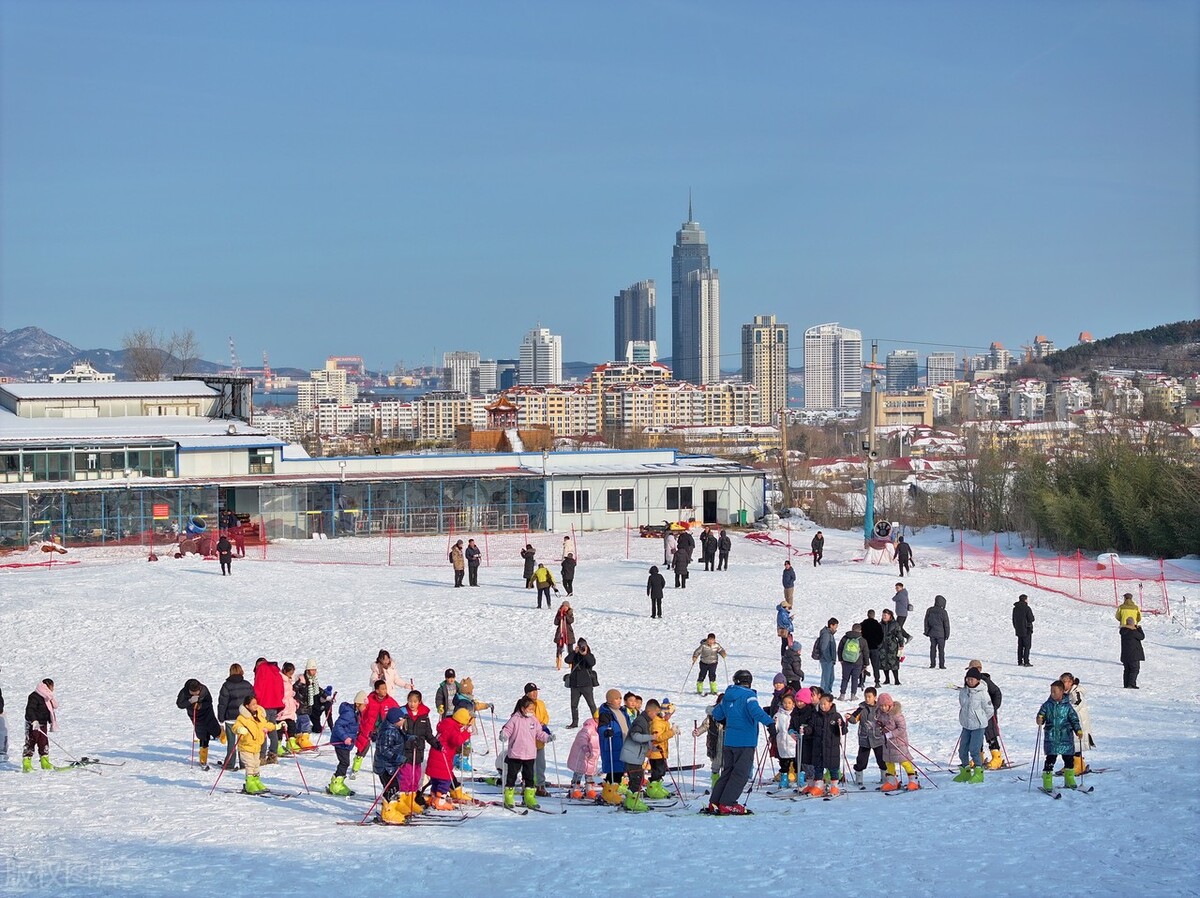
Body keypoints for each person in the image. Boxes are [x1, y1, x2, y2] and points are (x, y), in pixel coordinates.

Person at [707, 669, 774, 815]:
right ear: (749, 682)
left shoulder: (728, 696)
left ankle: (715, 802)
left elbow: (717, 714)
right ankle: (728, 803)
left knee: (728, 772)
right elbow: (756, 712)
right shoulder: (749, 696)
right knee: (740, 774)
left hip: (729, 740)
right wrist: (770, 724)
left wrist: (726, 721)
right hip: (745, 741)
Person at [500, 695, 553, 810]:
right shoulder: (515, 719)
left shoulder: (534, 720)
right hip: (516, 753)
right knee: (512, 776)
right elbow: (507, 729)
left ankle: (529, 797)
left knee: (529, 777)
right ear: (523, 709)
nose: (531, 712)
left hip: (529, 753)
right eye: (529, 709)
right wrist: (504, 735)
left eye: (532, 710)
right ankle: (508, 797)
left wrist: (547, 738)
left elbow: (539, 733)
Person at [1036, 680, 1083, 792]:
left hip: (1066, 737)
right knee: (1050, 759)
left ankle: (1069, 779)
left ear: (1062, 692)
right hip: (1051, 737)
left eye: (1055, 692)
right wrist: (1040, 719)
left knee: (1068, 759)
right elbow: (1041, 715)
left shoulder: (1067, 707)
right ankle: (1047, 781)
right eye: (1051, 691)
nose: (1052, 694)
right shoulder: (1047, 705)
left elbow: (1074, 719)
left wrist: (1078, 730)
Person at [426, 708, 475, 809]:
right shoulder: (453, 727)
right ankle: (440, 800)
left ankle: (434, 796)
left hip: (435, 755)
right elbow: (456, 741)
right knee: (445, 779)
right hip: (443, 756)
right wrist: (467, 732)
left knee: (436, 778)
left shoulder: (447, 723)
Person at [952, 669, 993, 783]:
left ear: (978, 680)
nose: (970, 681)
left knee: (974, 749)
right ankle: (965, 772)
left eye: (972, 679)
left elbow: (989, 710)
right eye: (968, 679)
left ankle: (979, 773)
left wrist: (981, 718)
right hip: (966, 725)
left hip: (978, 726)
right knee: (962, 750)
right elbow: (962, 705)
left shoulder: (983, 693)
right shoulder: (964, 691)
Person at [618, 698, 658, 811]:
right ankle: (632, 802)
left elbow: (643, 738)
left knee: (636, 779)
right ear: (650, 711)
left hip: (635, 756)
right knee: (637, 779)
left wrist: (652, 747)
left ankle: (630, 801)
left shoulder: (645, 721)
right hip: (632, 756)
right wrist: (652, 737)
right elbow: (635, 736)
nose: (656, 715)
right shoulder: (641, 721)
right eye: (656, 713)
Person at [353, 678, 400, 774]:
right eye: (382, 689)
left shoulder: (390, 701)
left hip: (382, 730)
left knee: (382, 749)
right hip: (368, 728)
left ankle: (378, 767)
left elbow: (398, 711)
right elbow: (361, 711)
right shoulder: (369, 699)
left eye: (385, 688)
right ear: (377, 690)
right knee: (362, 748)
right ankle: (355, 768)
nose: (385, 691)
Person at [373, 706, 411, 823]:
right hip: (385, 766)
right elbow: (384, 750)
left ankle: (390, 809)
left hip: (390, 765)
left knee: (392, 787)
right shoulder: (388, 731)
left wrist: (409, 738)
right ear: (396, 720)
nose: (404, 721)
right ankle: (388, 813)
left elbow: (398, 738)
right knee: (393, 787)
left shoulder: (394, 728)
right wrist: (398, 757)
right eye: (402, 719)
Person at [964, 660, 1005, 769]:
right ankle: (979, 756)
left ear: (979, 669)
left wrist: (994, 707)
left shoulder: (985, 680)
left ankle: (997, 757)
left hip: (987, 712)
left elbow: (997, 692)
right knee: (977, 735)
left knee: (990, 733)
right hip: (975, 713)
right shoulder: (970, 682)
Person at [233, 695, 277, 794]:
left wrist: (276, 726)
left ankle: (256, 781)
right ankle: (249, 784)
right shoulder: (242, 717)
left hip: (256, 746)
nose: (255, 706)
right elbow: (235, 727)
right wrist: (240, 729)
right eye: (253, 704)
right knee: (250, 765)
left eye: (256, 704)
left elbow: (265, 725)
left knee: (256, 764)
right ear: (247, 706)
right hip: (246, 746)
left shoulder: (259, 716)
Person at [876, 692, 919, 791]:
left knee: (904, 761)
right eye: (881, 706)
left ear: (890, 705)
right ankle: (892, 781)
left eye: (885, 706)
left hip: (899, 742)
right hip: (887, 743)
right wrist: (876, 727)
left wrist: (891, 734)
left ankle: (913, 780)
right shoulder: (880, 714)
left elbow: (902, 728)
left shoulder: (896, 714)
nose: (883, 708)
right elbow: (878, 724)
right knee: (888, 761)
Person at [177, 678, 222, 771]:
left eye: (196, 692)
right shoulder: (184, 692)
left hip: (207, 714)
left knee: (215, 730)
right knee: (202, 736)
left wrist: (200, 706)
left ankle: (221, 734)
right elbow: (180, 704)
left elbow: (209, 701)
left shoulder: (204, 690)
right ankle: (203, 759)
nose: (195, 694)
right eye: (192, 693)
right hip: (196, 717)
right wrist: (190, 701)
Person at [326, 691, 366, 796]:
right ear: (358, 704)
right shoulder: (349, 713)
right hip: (340, 742)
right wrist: (345, 738)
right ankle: (336, 785)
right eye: (364, 705)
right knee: (344, 763)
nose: (365, 708)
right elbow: (338, 726)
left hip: (346, 744)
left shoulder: (356, 713)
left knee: (344, 763)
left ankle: (337, 783)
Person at [846, 687, 885, 788]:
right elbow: (855, 719)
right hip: (865, 738)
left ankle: (885, 777)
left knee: (881, 759)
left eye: (869, 697)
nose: (867, 699)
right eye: (866, 697)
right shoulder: (861, 708)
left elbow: (885, 719)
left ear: (875, 697)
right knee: (862, 760)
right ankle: (859, 777)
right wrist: (850, 717)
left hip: (878, 738)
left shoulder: (880, 709)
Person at [217, 663, 254, 771]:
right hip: (244, 718)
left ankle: (229, 764)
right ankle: (243, 763)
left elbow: (222, 703)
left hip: (230, 719)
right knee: (243, 743)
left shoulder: (226, 686)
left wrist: (221, 717)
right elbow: (252, 701)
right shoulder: (247, 685)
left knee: (231, 744)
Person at [596, 689, 629, 799]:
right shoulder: (606, 713)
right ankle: (609, 792)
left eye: (620, 698)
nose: (619, 700)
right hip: (612, 745)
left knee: (619, 770)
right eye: (616, 698)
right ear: (610, 700)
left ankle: (614, 790)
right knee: (613, 770)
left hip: (622, 744)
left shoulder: (622, 711)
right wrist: (606, 731)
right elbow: (601, 728)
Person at [253, 658, 285, 764]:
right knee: (272, 729)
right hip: (274, 705)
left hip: (263, 705)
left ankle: (261, 756)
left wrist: (255, 703)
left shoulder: (261, 670)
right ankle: (273, 754)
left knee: (262, 730)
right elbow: (281, 689)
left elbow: (258, 688)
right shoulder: (276, 671)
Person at [645, 698, 678, 800]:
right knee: (657, 771)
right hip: (656, 752)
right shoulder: (657, 722)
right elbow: (658, 737)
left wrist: (674, 730)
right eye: (669, 715)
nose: (669, 717)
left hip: (661, 752)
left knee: (661, 771)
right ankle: (652, 789)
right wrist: (671, 732)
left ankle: (657, 787)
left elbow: (665, 734)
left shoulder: (663, 722)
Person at [1059, 672, 1093, 774]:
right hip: (1069, 723)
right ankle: (1070, 765)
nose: (1062, 684)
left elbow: (1077, 704)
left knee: (1076, 744)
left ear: (1071, 682)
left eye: (1064, 682)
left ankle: (1078, 765)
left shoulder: (1076, 692)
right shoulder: (1065, 693)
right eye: (1061, 682)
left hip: (1078, 722)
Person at [21, 678, 57, 772]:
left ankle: (45, 762)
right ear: (47, 686)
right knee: (31, 741)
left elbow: (49, 710)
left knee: (43, 742)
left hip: (43, 723)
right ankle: (26, 763)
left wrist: (51, 721)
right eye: (52, 686)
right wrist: (34, 720)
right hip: (33, 724)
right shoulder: (34, 696)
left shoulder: (47, 697)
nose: (53, 688)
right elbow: (30, 709)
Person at [524, 683, 552, 795]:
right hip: (528, 739)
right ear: (527, 693)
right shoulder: (524, 704)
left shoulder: (541, 703)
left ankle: (540, 785)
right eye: (532, 691)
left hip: (540, 739)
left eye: (536, 691)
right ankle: (527, 785)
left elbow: (545, 716)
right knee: (528, 765)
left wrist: (543, 724)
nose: (535, 693)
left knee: (541, 764)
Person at [694, 692, 726, 787]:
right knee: (715, 764)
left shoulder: (729, 716)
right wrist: (698, 731)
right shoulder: (712, 716)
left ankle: (724, 784)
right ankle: (715, 782)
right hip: (715, 745)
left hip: (726, 746)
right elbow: (705, 725)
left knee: (726, 766)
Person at [565, 715, 601, 800]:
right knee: (579, 772)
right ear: (596, 718)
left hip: (592, 757)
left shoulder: (598, 729)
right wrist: (585, 748)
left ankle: (589, 788)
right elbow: (582, 738)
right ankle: (575, 789)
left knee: (590, 773)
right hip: (582, 755)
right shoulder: (588, 728)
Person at [564, 638, 597, 727]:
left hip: (586, 684)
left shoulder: (589, 655)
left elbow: (592, 663)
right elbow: (567, 660)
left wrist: (585, 654)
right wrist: (574, 652)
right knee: (574, 705)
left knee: (591, 704)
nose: (582, 648)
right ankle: (574, 722)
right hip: (575, 685)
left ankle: (597, 721)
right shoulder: (575, 655)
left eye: (583, 646)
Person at [773, 692, 798, 787]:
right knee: (784, 763)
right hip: (782, 742)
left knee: (796, 761)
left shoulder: (795, 714)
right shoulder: (778, 715)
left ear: (793, 704)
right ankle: (784, 778)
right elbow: (775, 729)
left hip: (793, 742)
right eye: (785, 703)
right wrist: (773, 724)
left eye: (789, 703)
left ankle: (799, 778)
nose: (787, 705)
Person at [836, 623, 866, 702]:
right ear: (860, 630)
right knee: (855, 679)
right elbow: (866, 652)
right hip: (857, 662)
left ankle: (842, 695)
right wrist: (866, 664)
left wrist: (840, 659)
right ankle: (853, 695)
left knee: (845, 679)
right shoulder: (862, 640)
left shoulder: (845, 637)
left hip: (846, 661)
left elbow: (840, 649)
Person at [878, 609, 908, 686]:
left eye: (885, 615)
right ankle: (887, 679)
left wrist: (901, 645)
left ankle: (896, 680)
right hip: (882, 647)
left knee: (894, 663)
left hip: (892, 647)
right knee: (884, 663)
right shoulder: (880, 624)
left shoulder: (895, 624)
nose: (884, 616)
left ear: (890, 616)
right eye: (883, 615)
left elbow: (899, 635)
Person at [923, 595, 950, 670]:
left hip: (932, 633)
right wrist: (947, 634)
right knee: (941, 650)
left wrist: (926, 631)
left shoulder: (929, 610)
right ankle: (941, 665)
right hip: (941, 634)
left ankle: (932, 664)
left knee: (932, 649)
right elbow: (946, 624)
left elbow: (926, 621)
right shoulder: (943, 612)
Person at [860, 610, 884, 688]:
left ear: (867, 615)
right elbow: (881, 636)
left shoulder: (863, 624)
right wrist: (877, 644)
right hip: (874, 648)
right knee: (875, 665)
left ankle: (861, 681)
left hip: (864, 648)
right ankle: (877, 681)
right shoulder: (877, 625)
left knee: (863, 665)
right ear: (874, 615)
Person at [1120, 616, 1145, 688]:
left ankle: (1126, 684)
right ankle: (1131, 684)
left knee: (1127, 669)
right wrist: (1139, 629)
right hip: (1134, 654)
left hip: (1125, 654)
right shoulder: (1133, 632)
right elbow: (1142, 637)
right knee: (1134, 669)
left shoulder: (1123, 631)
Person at [1013, 594, 1035, 667]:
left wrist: (1016, 627)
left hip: (1018, 630)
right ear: (1025, 599)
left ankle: (1019, 661)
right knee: (1027, 646)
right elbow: (1031, 619)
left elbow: (1013, 619)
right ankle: (1026, 661)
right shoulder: (1027, 608)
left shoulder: (1015, 608)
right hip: (1027, 630)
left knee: (1020, 646)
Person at [817, 618, 839, 693]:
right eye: (835, 626)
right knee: (826, 678)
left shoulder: (829, 634)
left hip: (829, 660)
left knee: (830, 678)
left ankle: (827, 692)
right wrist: (829, 659)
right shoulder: (826, 634)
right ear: (831, 625)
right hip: (826, 660)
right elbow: (824, 648)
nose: (836, 628)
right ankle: (824, 693)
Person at [554, 601, 576, 669]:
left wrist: (566, 616)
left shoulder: (570, 613)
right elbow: (555, 623)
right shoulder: (559, 613)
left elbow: (571, 621)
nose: (565, 608)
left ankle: (571, 663)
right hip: (560, 633)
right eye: (564, 606)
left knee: (570, 649)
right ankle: (558, 662)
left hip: (568, 633)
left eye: (566, 606)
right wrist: (559, 617)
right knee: (559, 648)